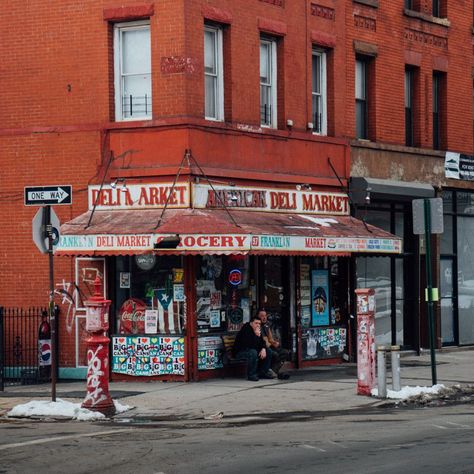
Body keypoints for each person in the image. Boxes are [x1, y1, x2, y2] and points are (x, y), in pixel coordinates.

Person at [233, 315, 276, 381]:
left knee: (268, 351)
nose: (258, 325)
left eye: (259, 323)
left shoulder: (257, 330)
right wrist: (256, 336)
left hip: (251, 350)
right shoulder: (246, 329)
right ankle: (251, 374)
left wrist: (263, 349)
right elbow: (248, 345)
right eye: (256, 323)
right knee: (253, 352)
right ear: (251, 323)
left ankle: (263, 372)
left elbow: (262, 342)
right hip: (240, 352)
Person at [258, 308, 290, 379]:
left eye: (265, 316)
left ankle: (273, 371)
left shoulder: (267, 326)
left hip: (269, 346)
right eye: (262, 316)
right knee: (274, 354)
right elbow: (264, 341)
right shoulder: (257, 326)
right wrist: (270, 343)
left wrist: (274, 342)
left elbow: (270, 339)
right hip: (262, 348)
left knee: (285, 352)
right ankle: (267, 371)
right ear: (258, 317)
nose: (264, 317)